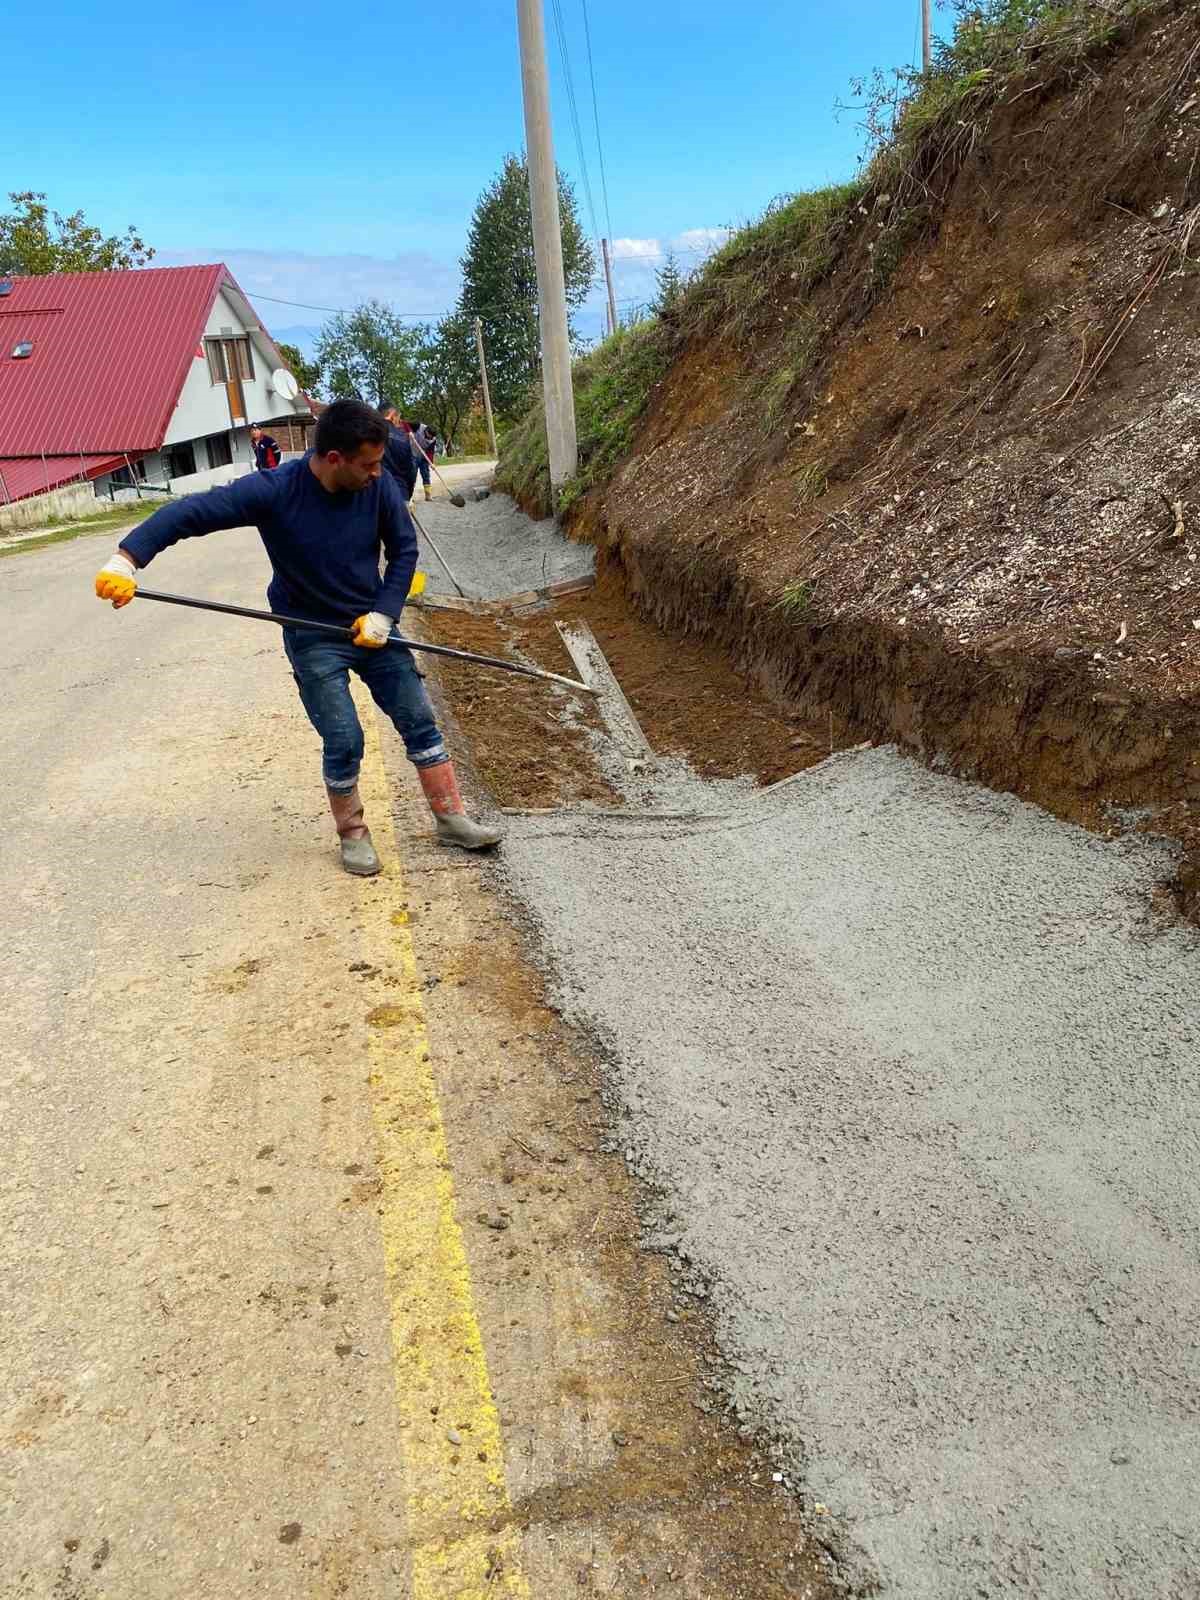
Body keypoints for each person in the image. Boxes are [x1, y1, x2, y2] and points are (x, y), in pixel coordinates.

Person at [93, 398, 502, 874]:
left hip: (373, 626)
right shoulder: (275, 491)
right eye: (367, 464)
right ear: (334, 459)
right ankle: (353, 833)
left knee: (418, 717)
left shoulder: (381, 487)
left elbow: (404, 551)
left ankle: (452, 818)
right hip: (312, 634)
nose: (377, 473)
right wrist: (127, 559)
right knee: (344, 737)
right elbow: (191, 513)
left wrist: (385, 615)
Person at [377, 402, 417, 502]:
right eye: (399, 418)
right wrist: (408, 495)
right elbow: (411, 470)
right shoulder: (403, 437)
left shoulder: (366, 432)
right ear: (393, 415)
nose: (399, 422)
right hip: (399, 493)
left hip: (373, 494)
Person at [409, 421, 437, 501]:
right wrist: (409, 432)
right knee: (412, 476)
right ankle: (410, 496)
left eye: (432, 437)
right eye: (429, 436)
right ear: (426, 431)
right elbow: (405, 424)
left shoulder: (433, 439)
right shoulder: (418, 426)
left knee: (426, 475)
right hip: (413, 454)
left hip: (424, 457)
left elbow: (430, 452)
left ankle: (428, 495)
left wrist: (431, 462)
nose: (430, 438)